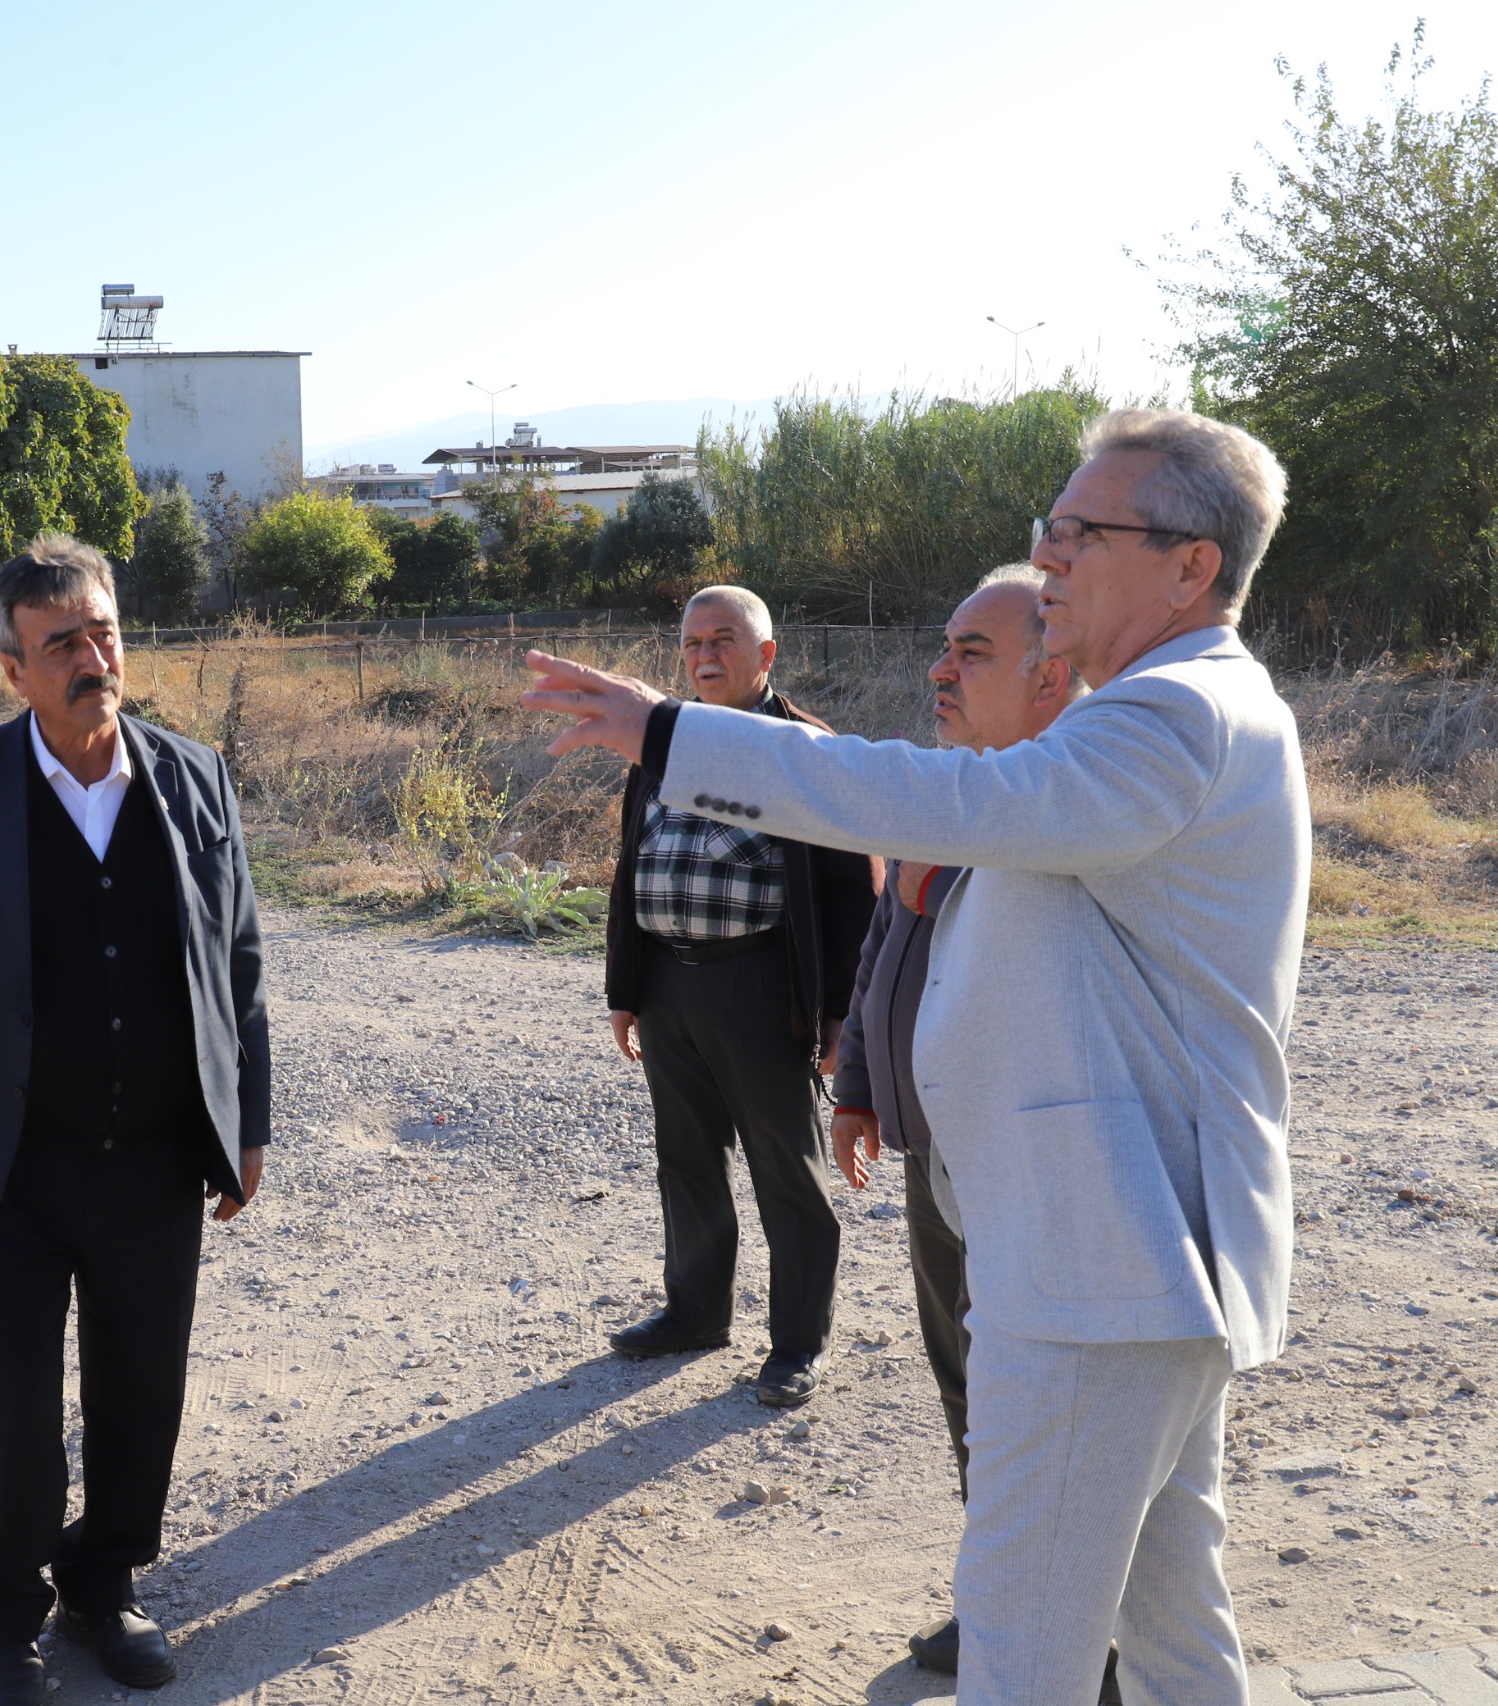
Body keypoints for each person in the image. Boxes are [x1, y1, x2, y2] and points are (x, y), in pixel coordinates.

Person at [522, 408, 1306, 1706]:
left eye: (1080, 530)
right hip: (1120, 1265)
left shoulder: (1172, 717)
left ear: (1191, 564)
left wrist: (676, 736)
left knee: (1020, 1654)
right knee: (1174, 1634)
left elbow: (951, 801)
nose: (1050, 555)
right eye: (1046, 527)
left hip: (1095, 1271)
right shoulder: (1172, 708)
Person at [0, 535, 270, 1706]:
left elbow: (235, 964)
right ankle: (5, 1623)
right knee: (15, 1402)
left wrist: (248, 1120)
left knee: (144, 1385)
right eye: (61, 645)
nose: (93, 660)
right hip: (6, 1165)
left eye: (103, 634)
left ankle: (104, 1581)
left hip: (152, 1154)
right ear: (10, 666)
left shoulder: (195, 778)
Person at [826, 567, 1082, 1680]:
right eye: (943, 645)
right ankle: (997, 1602)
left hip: (1022, 1167)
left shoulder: (1066, 811)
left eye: (971, 652)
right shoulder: (943, 793)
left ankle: (1072, 1629)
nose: (937, 667)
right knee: (965, 1384)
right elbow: (882, 949)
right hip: (932, 1156)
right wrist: (853, 1082)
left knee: (1041, 1410)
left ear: (1051, 674)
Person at [600, 585, 878, 1407]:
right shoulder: (664, 743)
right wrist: (625, 989)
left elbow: (852, 896)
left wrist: (839, 1019)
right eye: (690, 643)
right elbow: (632, 869)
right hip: (668, 985)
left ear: (767, 654)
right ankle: (694, 1314)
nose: (703, 655)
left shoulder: (806, 750)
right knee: (685, 1161)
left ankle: (798, 1343)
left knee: (786, 1170)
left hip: (762, 985)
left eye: (723, 639)